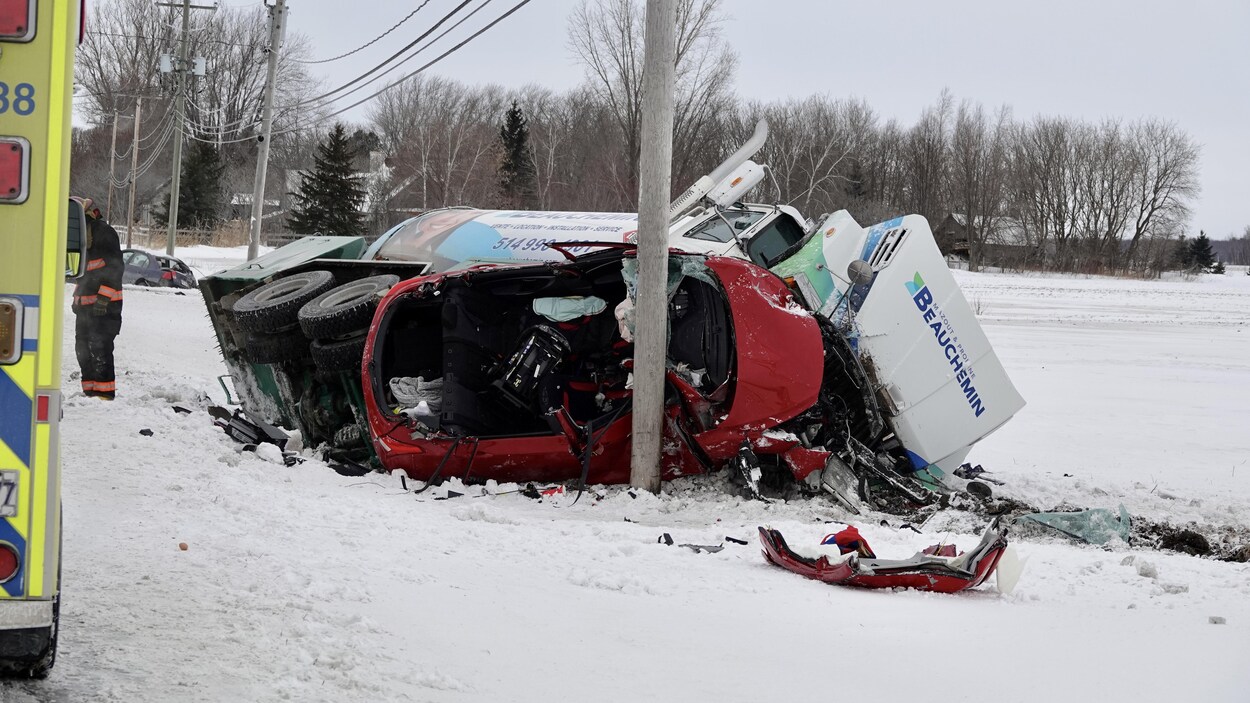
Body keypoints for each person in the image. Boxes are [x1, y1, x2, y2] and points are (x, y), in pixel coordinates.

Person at [71, 198, 124, 399]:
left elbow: (115, 268)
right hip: (84, 308)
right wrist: (77, 299)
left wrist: (103, 299)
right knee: (82, 350)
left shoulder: (104, 233)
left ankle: (104, 396)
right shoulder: (80, 237)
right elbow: (82, 273)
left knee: (99, 349)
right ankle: (89, 394)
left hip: (105, 308)